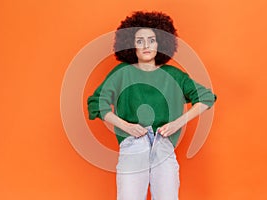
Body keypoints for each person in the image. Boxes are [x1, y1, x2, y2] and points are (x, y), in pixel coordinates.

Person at [87, 11, 216, 200]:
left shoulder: (174, 75)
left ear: (161, 43)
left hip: (163, 146)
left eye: (152, 40)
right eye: (139, 41)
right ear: (131, 45)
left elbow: (206, 97)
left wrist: (177, 124)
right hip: (132, 145)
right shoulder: (122, 73)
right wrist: (126, 126)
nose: (146, 45)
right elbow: (96, 103)